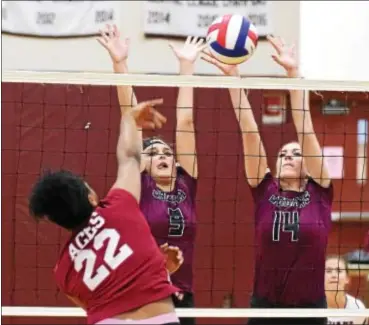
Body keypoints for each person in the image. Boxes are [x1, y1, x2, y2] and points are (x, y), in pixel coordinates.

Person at [202, 35, 333, 325]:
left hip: (309, 310)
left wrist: (292, 75)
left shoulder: (319, 190)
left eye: (295, 154)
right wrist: (234, 80)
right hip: (265, 308)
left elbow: (305, 129)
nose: (287, 156)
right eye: (283, 154)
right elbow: (250, 133)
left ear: (308, 165)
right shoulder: (264, 190)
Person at [29, 98, 185, 324]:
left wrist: (159, 270)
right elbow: (129, 158)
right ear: (91, 197)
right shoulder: (119, 206)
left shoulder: (63, 272)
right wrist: (130, 120)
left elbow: (103, 303)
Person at [97, 24, 205, 325]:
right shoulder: (140, 185)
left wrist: (187, 67)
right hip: (141, 295)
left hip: (183, 295)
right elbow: (131, 117)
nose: (161, 155)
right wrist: (120, 63)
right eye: (153, 152)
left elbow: (185, 122)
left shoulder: (187, 182)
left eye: (166, 152)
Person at [325, 256, 367, 325]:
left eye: (339, 271)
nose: (334, 275)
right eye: (328, 271)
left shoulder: (357, 308)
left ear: (347, 278)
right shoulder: (311, 308)